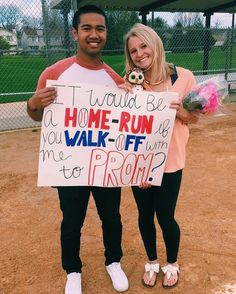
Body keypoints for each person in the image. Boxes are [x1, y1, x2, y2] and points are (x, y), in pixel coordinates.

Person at [27, 5, 129, 294]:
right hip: (70, 163)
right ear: (75, 33)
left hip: (105, 163)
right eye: (87, 28)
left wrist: (133, 103)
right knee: (72, 221)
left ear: (106, 34)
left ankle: (114, 261)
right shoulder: (55, 72)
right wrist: (35, 103)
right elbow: (36, 115)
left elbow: (125, 125)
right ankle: (72, 270)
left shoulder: (116, 80)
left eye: (100, 28)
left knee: (112, 217)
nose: (94, 34)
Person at [123, 23, 198, 289]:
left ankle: (172, 264)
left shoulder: (184, 77)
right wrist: (140, 167)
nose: (139, 54)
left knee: (165, 216)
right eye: (133, 50)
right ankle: (152, 262)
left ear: (155, 44)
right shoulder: (130, 84)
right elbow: (125, 129)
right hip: (139, 164)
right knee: (145, 215)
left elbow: (193, 118)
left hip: (171, 162)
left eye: (143, 46)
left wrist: (180, 111)